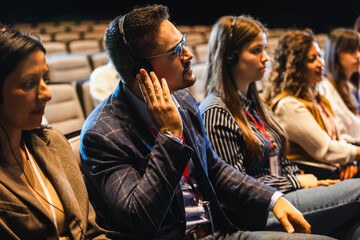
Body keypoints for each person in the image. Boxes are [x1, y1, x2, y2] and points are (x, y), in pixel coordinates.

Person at [80, 5, 333, 240]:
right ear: (142, 71)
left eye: (185, 43)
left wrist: (273, 198)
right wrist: (169, 136)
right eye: (177, 50)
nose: (188, 54)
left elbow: (215, 168)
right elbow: (141, 217)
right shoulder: (102, 134)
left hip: (218, 232)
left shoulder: (184, 101)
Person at [199, 15, 360, 238]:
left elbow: (279, 159)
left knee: (355, 230)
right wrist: (295, 181)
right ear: (230, 57)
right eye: (256, 50)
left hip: (285, 194)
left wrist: (305, 180)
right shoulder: (216, 111)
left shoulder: (256, 103)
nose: (266, 58)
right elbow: (235, 184)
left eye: (265, 49)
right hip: (258, 210)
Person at [0, 28, 109, 239]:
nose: (47, 94)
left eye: (45, 80)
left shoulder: (53, 142)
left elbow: (91, 231)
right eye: (30, 83)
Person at [265, 29, 360, 180]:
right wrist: (354, 156)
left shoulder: (317, 98)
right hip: (314, 178)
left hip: (334, 168)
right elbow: (325, 150)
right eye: (312, 59)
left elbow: (336, 141)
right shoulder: (288, 106)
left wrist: (351, 161)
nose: (321, 63)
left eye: (320, 56)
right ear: (295, 66)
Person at [319, 28, 360, 144]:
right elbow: (338, 135)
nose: (358, 55)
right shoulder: (325, 89)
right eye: (351, 51)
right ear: (335, 53)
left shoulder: (349, 87)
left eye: (359, 50)